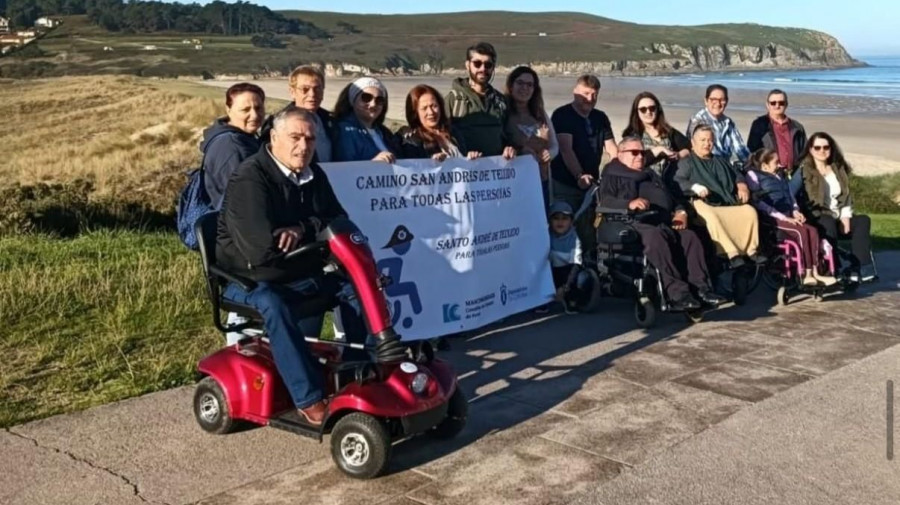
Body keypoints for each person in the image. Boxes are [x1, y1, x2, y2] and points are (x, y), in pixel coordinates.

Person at [216, 107, 363, 426]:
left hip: (298, 271)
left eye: (310, 138)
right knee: (274, 304)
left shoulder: (314, 174)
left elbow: (337, 220)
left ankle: (360, 371)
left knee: (356, 288)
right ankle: (308, 398)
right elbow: (262, 251)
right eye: (295, 137)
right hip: (250, 280)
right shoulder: (249, 178)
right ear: (273, 138)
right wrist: (315, 231)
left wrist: (301, 229)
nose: (304, 146)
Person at [599, 137, 726, 309]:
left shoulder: (650, 174)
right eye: (634, 153)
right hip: (632, 222)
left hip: (663, 219)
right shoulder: (612, 173)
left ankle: (702, 289)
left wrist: (681, 212)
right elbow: (605, 202)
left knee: (689, 237)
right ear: (620, 154)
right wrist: (629, 204)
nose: (639, 156)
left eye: (642, 153)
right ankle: (677, 293)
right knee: (655, 237)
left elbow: (672, 198)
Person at [746, 148, 837, 286]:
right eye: (776, 163)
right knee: (801, 233)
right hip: (772, 219)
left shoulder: (780, 176)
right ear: (765, 166)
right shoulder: (755, 176)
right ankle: (805, 274)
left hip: (789, 216)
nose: (780, 165)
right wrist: (783, 217)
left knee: (812, 231)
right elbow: (758, 202)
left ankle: (815, 272)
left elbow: (791, 197)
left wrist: (795, 211)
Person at [674, 125, 762, 267]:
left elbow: (737, 174)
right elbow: (678, 181)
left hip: (726, 200)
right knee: (711, 215)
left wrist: (742, 185)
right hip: (703, 202)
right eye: (702, 140)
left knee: (749, 211)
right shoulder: (687, 163)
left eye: (710, 140)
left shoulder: (720, 160)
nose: (706, 144)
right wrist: (694, 187)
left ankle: (751, 250)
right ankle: (730, 252)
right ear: (693, 142)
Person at [550, 74, 617, 259]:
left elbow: (612, 148)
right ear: (575, 92)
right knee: (563, 230)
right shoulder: (562, 115)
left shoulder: (600, 117)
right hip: (565, 184)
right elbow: (566, 149)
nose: (590, 99)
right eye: (586, 94)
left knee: (588, 230)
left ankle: (588, 268)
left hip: (592, 186)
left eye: (594, 95)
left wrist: (617, 171)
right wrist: (579, 175)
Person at [796, 132, 875, 281]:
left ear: (831, 148)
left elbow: (846, 196)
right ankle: (833, 268)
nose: (822, 151)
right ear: (810, 150)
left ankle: (860, 267)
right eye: (817, 147)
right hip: (817, 216)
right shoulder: (803, 171)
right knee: (827, 220)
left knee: (863, 220)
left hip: (837, 215)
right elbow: (789, 192)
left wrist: (845, 216)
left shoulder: (838, 169)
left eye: (826, 147)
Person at [200, 82, 265, 210]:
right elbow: (243, 197)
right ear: (228, 110)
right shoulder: (232, 147)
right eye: (245, 110)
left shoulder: (245, 137)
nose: (255, 115)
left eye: (258, 108)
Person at [445, 42, 514, 157]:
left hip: (496, 170)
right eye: (477, 64)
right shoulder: (453, 99)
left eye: (488, 65)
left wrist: (510, 149)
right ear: (467, 65)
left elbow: (509, 134)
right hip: (465, 170)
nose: (483, 69)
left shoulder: (501, 101)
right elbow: (441, 135)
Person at [503, 66, 558, 207]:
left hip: (540, 179)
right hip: (513, 182)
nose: (525, 88)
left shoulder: (539, 113)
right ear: (511, 85)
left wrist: (549, 154)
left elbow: (554, 145)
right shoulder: (503, 112)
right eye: (520, 83)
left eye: (530, 85)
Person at [259, 65, 334, 163]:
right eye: (305, 89)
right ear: (292, 92)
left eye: (317, 89)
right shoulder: (277, 122)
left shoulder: (330, 120)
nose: (312, 94)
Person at [396, 84, 481, 161]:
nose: (431, 112)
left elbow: (463, 162)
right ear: (415, 113)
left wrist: (470, 159)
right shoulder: (411, 139)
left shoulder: (453, 132)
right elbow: (411, 168)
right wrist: (430, 162)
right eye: (424, 108)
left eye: (434, 106)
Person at [622, 91, 690, 183]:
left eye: (652, 108)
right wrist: (658, 150)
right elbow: (630, 161)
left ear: (658, 109)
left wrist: (679, 155)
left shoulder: (668, 131)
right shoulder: (632, 135)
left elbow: (689, 146)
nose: (648, 112)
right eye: (643, 109)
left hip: (671, 180)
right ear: (636, 112)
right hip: (645, 181)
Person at [539, 201, 595, 314]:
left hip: (569, 272)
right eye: (556, 218)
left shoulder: (575, 240)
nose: (560, 222)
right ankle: (543, 301)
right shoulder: (545, 236)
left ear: (571, 221)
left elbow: (576, 265)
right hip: (551, 272)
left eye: (564, 218)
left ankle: (572, 300)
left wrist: (565, 288)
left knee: (583, 278)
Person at [333, 76, 400, 162]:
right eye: (366, 98)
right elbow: (343, 167)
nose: (373, 104)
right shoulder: (345, 131)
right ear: (353, 100)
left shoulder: (383, 132)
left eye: (379, 100)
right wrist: (372, 164)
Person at [747, 89, 806, 176]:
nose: (777, 105)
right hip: (770, 175)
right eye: (773, 103)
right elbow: (752, 151)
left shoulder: (797, 127)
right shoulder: (759, 125)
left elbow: (805, 152)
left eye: (781, 103)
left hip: (794, 174)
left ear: (786, 105)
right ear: (767, 105)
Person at [686, 84, 750, 165]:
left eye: (722, 100)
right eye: (713, 99)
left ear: (726, 102)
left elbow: (740, 148)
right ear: (706, 101)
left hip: (728, 166)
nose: (718, 103)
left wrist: (751, 163)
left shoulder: (728, 122)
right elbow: (707, 152)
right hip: (708, 166)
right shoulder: (698, 121)